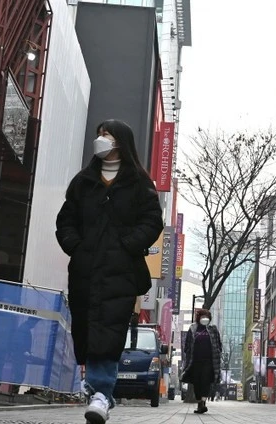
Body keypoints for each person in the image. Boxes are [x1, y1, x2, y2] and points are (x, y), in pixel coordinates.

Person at [56, 119, 164, 424]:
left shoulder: (140, 183)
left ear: (121, 142)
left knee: (110, 330)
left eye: (107, 135)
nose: (101, 139)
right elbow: (65, 221)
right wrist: (76, 247)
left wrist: (128, 245)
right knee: (88, 328)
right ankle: (96, 390)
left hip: (122, 271)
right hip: (85, 270)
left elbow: (152, 221)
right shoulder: (83, 181)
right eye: (100, 134)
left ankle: (102, 393)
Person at [181, 309, 222, 414]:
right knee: (197, 382)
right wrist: (188, 354)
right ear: (198, 317)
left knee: (205, 381)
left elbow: (218, 344)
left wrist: (218, 353)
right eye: (202, 316)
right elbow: (187, 344)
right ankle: (200, 402)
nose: (204, 318)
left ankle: (203, 403)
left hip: (209, 361)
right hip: (195, 361)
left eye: (206, 316)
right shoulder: (193, 329)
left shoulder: (213, 329)